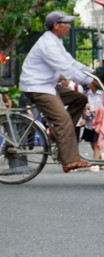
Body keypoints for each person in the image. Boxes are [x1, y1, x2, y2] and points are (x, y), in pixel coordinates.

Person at [20, 11, 97, 172]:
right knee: (63, 119)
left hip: (49, 85)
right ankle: (70, 160)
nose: (68, 26)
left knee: (80, 99)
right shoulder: (48, 44)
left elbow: (73, 63)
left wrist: (95, 74)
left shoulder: (56, 41)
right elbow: (66, 69)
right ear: (56, 25)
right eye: (65, 23)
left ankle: (59, 133)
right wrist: (89, 82)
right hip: (37, 87)